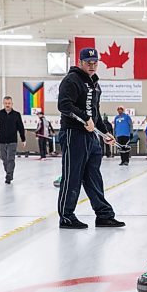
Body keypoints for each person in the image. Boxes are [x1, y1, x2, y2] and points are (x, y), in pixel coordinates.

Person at [57, 47, 125, 229]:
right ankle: (66, 216)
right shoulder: (72, 80)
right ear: (80, 62)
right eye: (88, 63)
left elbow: (94, 112)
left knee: (93, 176)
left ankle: (103, 215)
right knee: (72, 176)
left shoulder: (94, 83)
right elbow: (64, 105)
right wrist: (84, 119)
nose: (92, 65)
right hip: (73, 134)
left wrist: (105, 132)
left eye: (95, 63)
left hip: (91, 136)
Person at [0, 96, 26, 184]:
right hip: (1, 141)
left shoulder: (16, 114)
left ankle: (9, 176)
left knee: (10, 159)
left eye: (9, 103)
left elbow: (20, 127)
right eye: (6, 103)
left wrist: (23, 139)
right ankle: (8, 172)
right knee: (4, 159)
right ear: (3, 104)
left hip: (12, 141)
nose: (7, 105)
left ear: (12, 104)